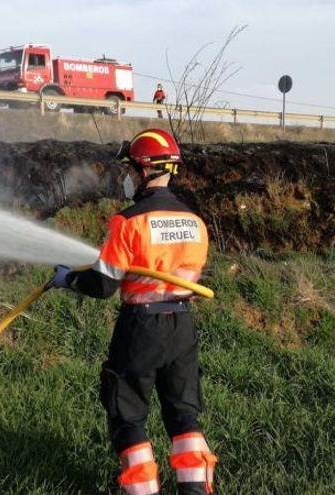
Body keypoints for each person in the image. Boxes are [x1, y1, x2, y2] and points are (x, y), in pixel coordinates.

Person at [51, 128, 217, 495]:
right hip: (182, 327)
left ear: (143, 170)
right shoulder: (195, 222)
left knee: (128, 416)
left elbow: (103, 285)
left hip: (140, 329)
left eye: (129, 170)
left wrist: (68, 280)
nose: (126, 178)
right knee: (184, 414)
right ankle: (195, 490)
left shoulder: (128, 223)